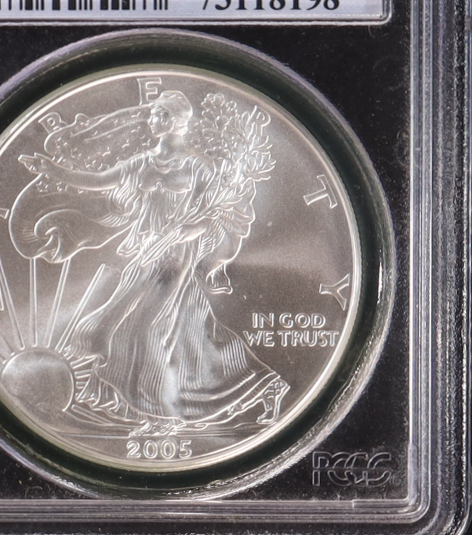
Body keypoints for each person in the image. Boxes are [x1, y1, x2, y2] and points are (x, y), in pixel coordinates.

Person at [19, 90, 289, 435]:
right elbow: (99, 181)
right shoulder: (142, 162)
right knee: (182, 329)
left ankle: (162, 415)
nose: (151, 119)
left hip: (175, 256)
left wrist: (183, 232)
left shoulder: (197, 166)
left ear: (176, 120)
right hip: (145, 252)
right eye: (152, 113)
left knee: (149, 328)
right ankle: (263, 385)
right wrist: (53, 169)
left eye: (159, 114)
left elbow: (208, 218)